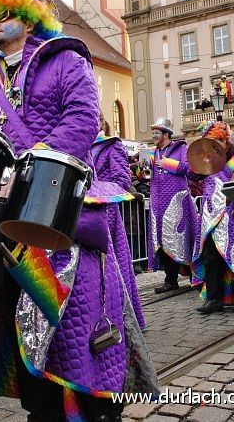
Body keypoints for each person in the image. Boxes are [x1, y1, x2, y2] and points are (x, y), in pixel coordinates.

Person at [0, 0, 157, 421]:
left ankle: (95, 407)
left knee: (74, 323)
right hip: (7, 224)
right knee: (19, 321)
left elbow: (83, 119)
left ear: (30, 18)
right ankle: (41, 409)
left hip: (60, 213)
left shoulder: (67, 61)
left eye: (6, 13)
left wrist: (33, 172)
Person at [190, 123, 234, 314]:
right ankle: (214, 298)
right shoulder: (208, 160)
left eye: (217, 141)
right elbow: (192, 176)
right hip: (211, 216)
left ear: (225, 140)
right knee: (211, 257)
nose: (213, 145)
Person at [90, 116, 145, 329]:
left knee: (112, 267)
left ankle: (120, 319)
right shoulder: (80, 145)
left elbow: (122, 181)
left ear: (101, 124)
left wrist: (96, 192)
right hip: (86, 212)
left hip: (106, 212)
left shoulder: (112, 146)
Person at [145, 117, 197, 294]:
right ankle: (170, 279)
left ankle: (194, 277)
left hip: (176, 201)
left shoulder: (181, 148)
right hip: (158, 203)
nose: (153, 135)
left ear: (166, 134)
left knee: (182, 239)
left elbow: (189, 169)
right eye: (153, 132)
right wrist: (141, 167)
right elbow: (143, 176)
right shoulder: (151, 152)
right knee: (163, 240)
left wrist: (167, 163)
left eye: (157, 132)